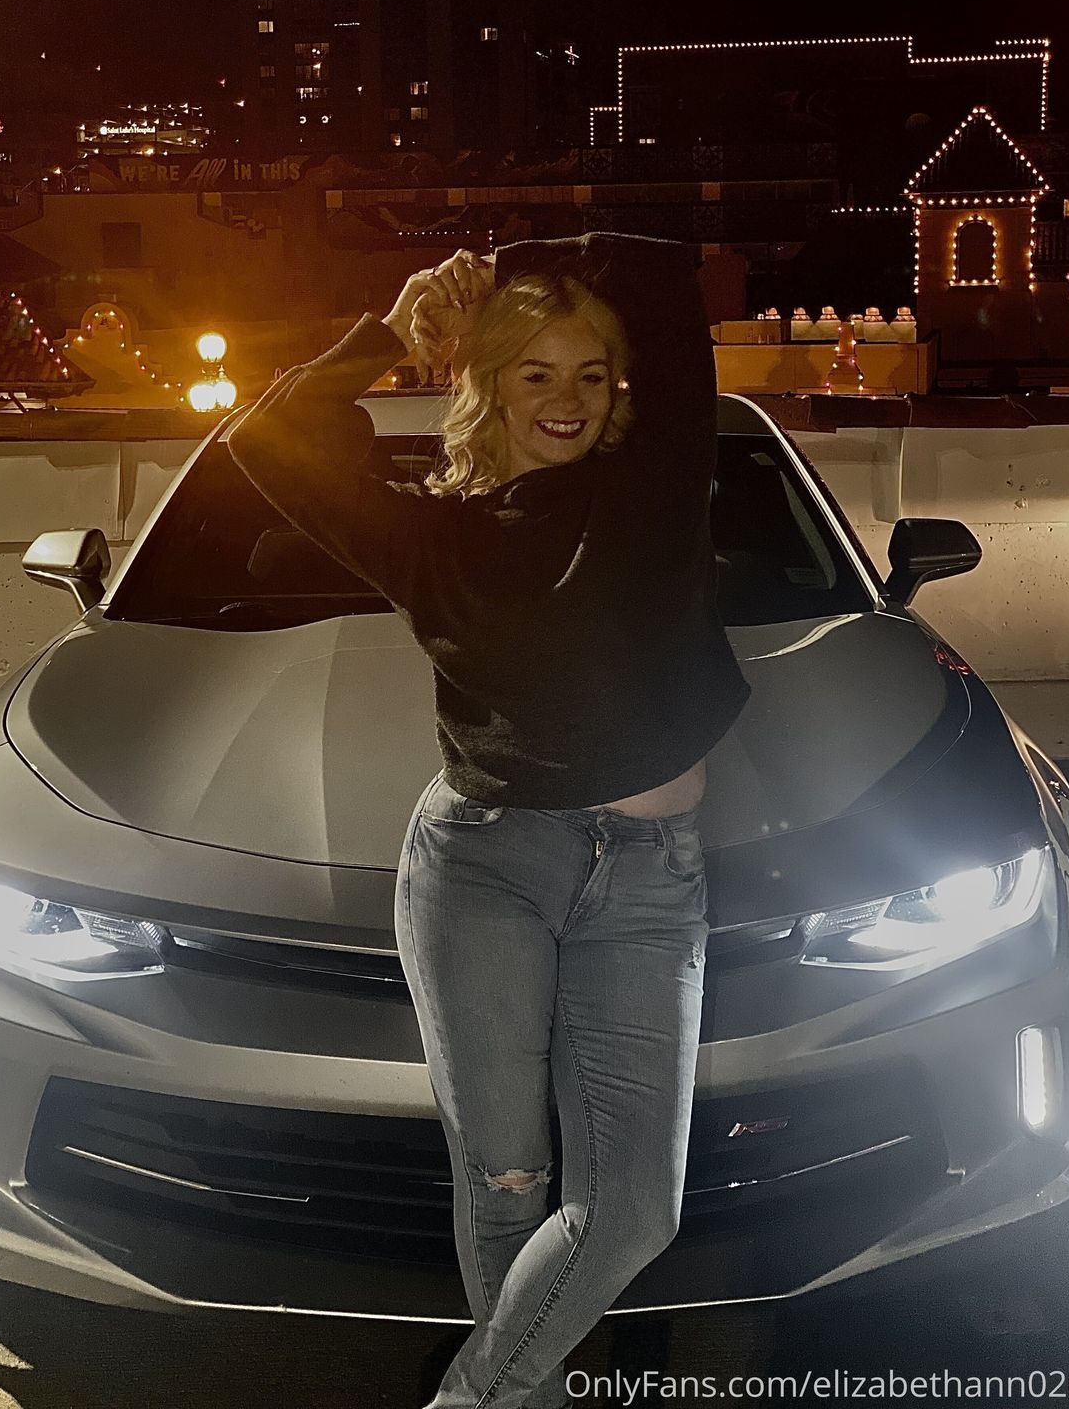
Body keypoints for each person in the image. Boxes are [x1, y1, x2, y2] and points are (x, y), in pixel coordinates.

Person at [225, 234, 752, 1409]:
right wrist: (387, 328)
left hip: (649, 880)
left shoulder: (657, 481)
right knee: (508, 1186)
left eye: (591, 374)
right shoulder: (433, 534)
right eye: (536, 372)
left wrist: (522, 253)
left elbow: (664, 292)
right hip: (485, 868)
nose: (569, 399)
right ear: (489, 383)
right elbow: (265, 440)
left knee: (632, 1207)